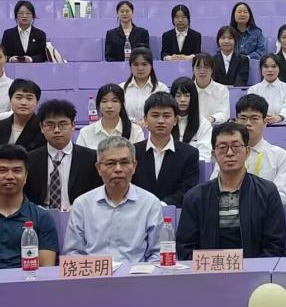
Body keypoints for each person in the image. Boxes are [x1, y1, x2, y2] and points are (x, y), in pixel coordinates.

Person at [176, 121, 286, 258]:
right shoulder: (195, 197)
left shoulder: (267, 192)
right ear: (213, 154)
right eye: (222, 147)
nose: (229, 153)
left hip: (254, 269)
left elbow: (275, 246)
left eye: (236, 147)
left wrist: (252, 268)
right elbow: (185, 247)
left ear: (247, 152)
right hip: (210, 269)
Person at [63, 135, 165, 264]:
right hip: (95, 274)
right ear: (99, 168)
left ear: (134, 166)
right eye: (110, 163)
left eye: (124, 162)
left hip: (135, 274)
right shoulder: (82, 204)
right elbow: (72, 253)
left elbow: (158, 253)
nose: (118, 169)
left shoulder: (150, 203)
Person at [25, 99, 103, 210]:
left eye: (62, 124)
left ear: (73, 125)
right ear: (41, 128)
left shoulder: (91, 158)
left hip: (80, 214)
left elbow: (97, 193)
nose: (57, 130)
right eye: (50, 125)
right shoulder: (30, 159)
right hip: (40, 216)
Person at [133, 92, 204, 207]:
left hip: (174, 212)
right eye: (155, 115)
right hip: (138, 211)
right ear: (145, 120)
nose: (161, 121)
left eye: (166, 116)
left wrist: (162, 205)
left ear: (175, 120)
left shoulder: (189, 154)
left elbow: (187, 189)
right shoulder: (133, 152)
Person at [220, 94, 286, 204]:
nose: (248, 123)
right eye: (243, 118)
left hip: (264, 212)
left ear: (265, 121)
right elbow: (215, 190)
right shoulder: (226, 153)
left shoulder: (279, 156)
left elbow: (281, 198)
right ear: (236, 121)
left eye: (254, 118)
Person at [0, 78, 45, 153]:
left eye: (29, 98)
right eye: (19, 97)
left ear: (37, 102)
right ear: (10, 100)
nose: (23, 103)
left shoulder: (43, 129)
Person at [77, 83, 145, 150]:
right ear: (98, 105)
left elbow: (140, 156)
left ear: (122, 104)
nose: (109, 106)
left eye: (114, 101)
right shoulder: (85, 133)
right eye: (104, 101)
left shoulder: (135, 131)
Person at [171, 77, 213, 161]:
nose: (182, 100)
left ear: (193, 97)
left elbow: (204, 156)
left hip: (193, 167)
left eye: (187, 95)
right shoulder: (166, 122)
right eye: (178, 96)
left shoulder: (204, 124)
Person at [121, 48, 167, 122]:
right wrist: (133, 123)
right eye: (136, 64)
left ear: (151, 66)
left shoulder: (161, 88)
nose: (140, 68)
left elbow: (165, 112)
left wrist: (147, 122)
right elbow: (119, 113)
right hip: (128, 127)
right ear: (130, 66)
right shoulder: (121, 88)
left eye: (144, 64)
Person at [248, 54, 286, 123]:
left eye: (274, 66)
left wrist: (279, 117)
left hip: (282, 124)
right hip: (259, 124)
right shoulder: (253, 90)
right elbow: (252, 109)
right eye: (266, 66)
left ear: (279, 68)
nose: (270, 70)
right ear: (261, 69)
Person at [192, 53, 231, 124]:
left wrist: (211, 119)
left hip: (214, 126)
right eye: (198, 68)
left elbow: (224, 113)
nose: (202, 71)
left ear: (212, 70)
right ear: (193, 70)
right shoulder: (187, 89)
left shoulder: (222, 89)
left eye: (206, 68)